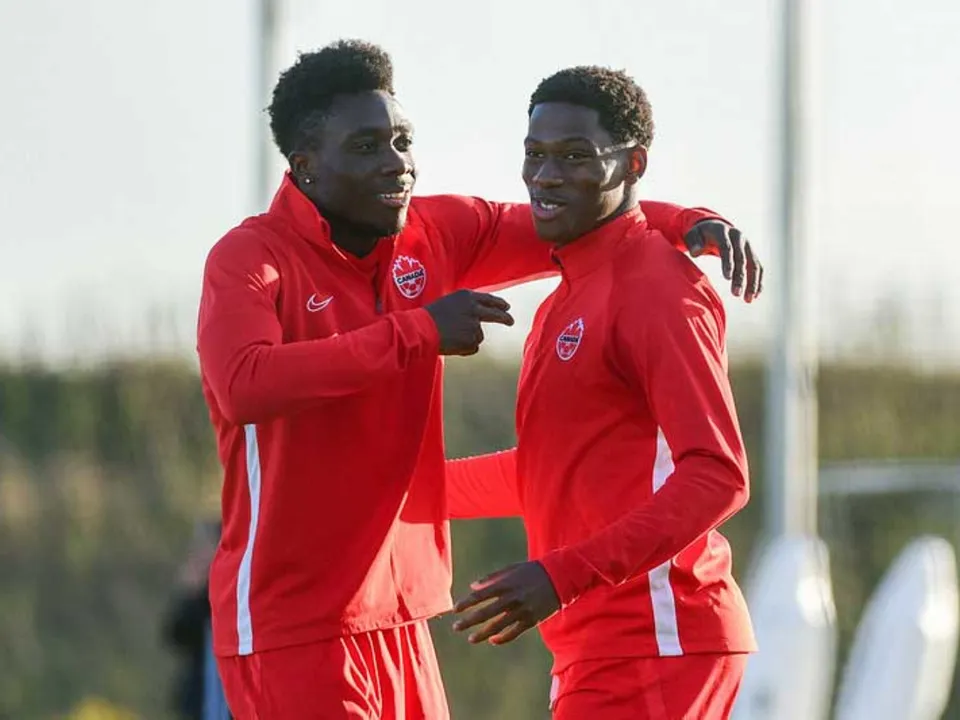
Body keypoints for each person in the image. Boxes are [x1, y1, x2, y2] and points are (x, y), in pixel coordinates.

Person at [197, 40, 760, 719]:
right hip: (293, 620)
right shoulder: (250, 256)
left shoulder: (436, 231)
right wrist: (420, 332)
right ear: (306, 165)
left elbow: (587, 216)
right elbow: (243, 383)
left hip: (404, 615)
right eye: (369, 146)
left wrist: (692, 221)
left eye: (402, 141)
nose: (396, 164)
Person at [448, 66, 757, 719]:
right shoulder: (564, 298)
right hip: (603, 650)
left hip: (658, 643)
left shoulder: (658, 288)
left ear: (634, 162)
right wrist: (400, 492)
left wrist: (561, 575)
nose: (546, 175)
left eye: (574, 156)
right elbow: (549, 472)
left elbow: (718, 476)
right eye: (534, 154)